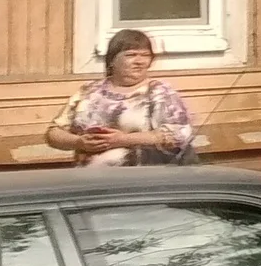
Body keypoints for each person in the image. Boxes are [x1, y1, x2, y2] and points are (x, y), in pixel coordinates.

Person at [46, 29, 198, 166]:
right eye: (131, 55)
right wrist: (79, 142)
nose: (139, 61)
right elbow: (53, 133)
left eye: (145, 55)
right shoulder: (89, 92)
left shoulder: (160, 92)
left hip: (145, 183)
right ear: (112, 60)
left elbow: (180, 134)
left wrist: (122, 140)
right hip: (91, 183)